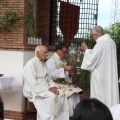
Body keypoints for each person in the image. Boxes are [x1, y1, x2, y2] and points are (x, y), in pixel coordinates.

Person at [23, 45, 69, 120]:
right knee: (52, 96)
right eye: (45, 52)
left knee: (61, 94)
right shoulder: (30, 64)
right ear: (37, 53)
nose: (47, 54)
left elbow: (49, 79)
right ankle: (47, 118)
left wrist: (53, 87)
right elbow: (32, 83)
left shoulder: (44, 63)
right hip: (33, 88)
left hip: (45, 86)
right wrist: (48, 89)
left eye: (47, 52)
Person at [80, 26, 119, 108]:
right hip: (109, 74)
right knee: (109, 94)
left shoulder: (100, 44)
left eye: (92, 35)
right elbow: (101, 55)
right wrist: (88, 51)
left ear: (96, 34)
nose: (92, 37)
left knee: (100, 97)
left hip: (100, 76)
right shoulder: (111, 42)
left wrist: (86, 50)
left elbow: (91, 60)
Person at [46, 42, 82, 118]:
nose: (66, 54)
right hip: (53, 83)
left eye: (66, 52)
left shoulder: (64, 61)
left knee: (76, 91)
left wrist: (69, 74)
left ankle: (76, 113)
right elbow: (51, 74)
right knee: (70, 92)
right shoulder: (51, 60)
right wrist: (64, 69)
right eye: (64, 52)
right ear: (59, 50)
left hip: (62, 83)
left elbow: (65, 76)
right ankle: (68, 115)